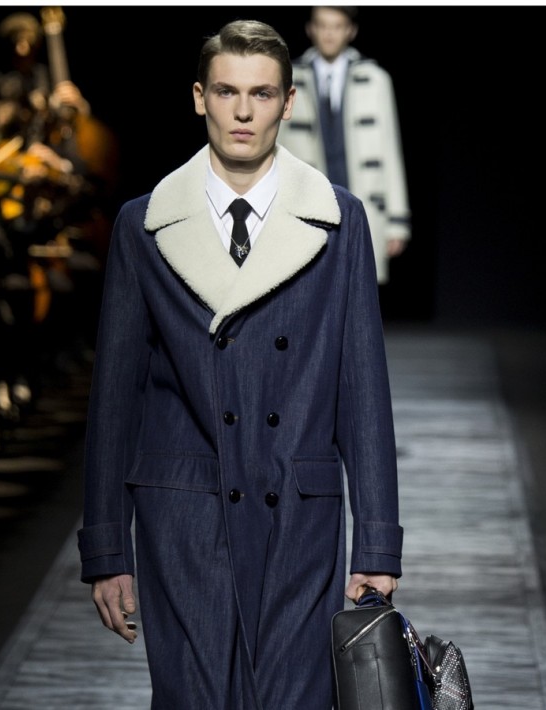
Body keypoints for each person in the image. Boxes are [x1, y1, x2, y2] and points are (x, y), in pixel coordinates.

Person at [78, 19, 402, 710]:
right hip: (183, 517)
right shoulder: (145, 226)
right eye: (227, 92)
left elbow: (362, 390)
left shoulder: (338, 222)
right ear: (200, 97)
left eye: (261, 94)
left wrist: (377, 545)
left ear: (288, 102)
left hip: (298, 514)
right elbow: (115, 400)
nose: (243, 112)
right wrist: (106, 551)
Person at [277, 6, 411, 285]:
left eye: (337, 26)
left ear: (351, 30)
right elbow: (277, 145)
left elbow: (389, 149)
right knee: (311, 283)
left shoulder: (375, 79)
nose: (329, 34)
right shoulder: (290, 78)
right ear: (310, 29)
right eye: (323, 25)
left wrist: (396, 220)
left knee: (358, 285)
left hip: (360, 198)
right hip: (309, 200)